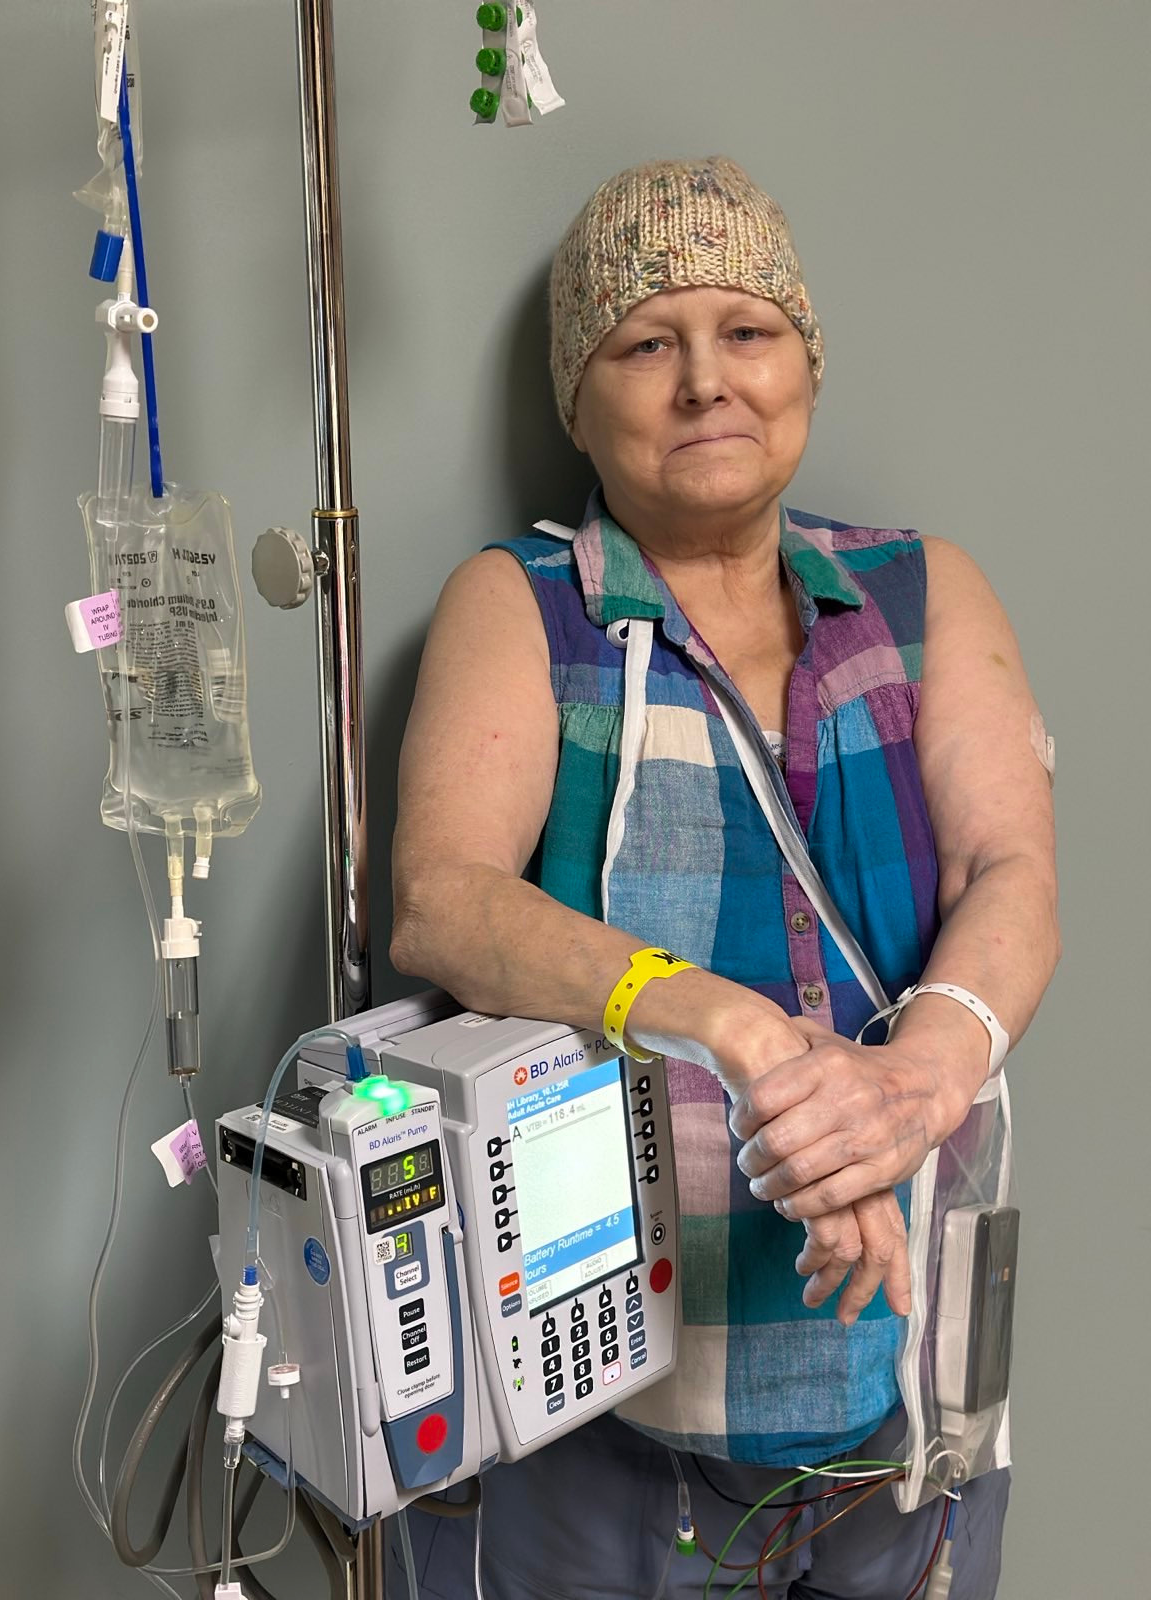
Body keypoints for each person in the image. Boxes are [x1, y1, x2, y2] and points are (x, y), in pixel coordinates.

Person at [386, 156, 1058, 1599]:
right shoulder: (525, 607)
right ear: (578, 400)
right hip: (604, 1394)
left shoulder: (919, 592)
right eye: (646, 344)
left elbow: (1010, 868)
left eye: (747, 331)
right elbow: (443, 899)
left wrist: (914, 1086)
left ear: (806, 362)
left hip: (907, 1366)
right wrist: (738, 1032)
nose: (706, 381)